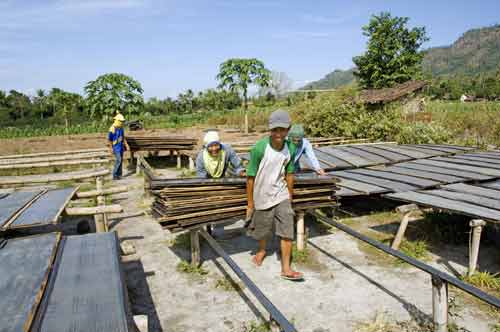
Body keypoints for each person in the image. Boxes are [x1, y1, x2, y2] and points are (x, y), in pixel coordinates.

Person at [246, 109, 304, 281]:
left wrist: (290, 196)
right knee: (263, 229)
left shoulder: (290, 148)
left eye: (282, 129)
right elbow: (250, 177)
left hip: (281, 194)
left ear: (288, 129)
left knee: (287, 228)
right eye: (275, 130)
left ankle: (286, 268)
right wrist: (250, 203)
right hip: (262, 194)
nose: (279, 133)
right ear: (270, 130)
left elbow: (290, 173)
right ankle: (262, 250)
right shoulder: (259, 148)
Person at [108, 113, 129, 180]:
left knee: (121, 160)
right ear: (117, 121)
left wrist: (126, 145)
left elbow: (123, 137)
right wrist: (111, 148)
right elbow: (109, 139)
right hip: (115, 147)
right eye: (121, 121)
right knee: (118, 160)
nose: (122, 122)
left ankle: (119, 175)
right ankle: (114, 175)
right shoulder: (112, 128)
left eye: (122, 121)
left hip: (121, 147)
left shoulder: (121, 128)